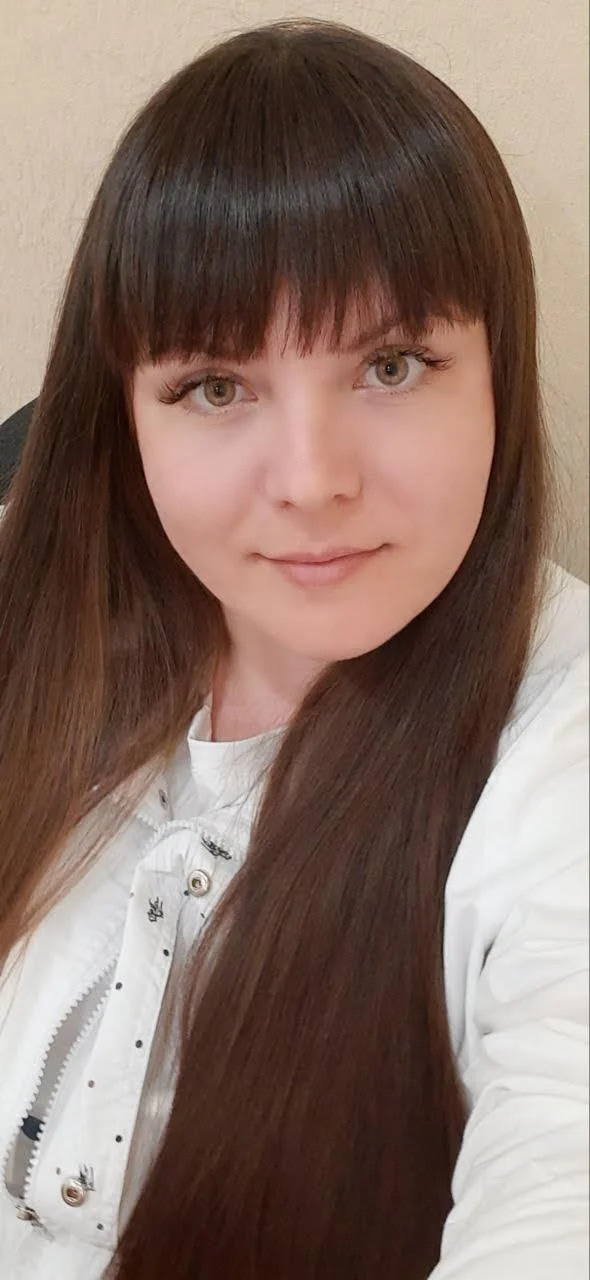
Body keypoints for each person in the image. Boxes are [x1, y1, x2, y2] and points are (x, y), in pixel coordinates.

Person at [0, 16, 587, 1280]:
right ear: (127, 415)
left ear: (497, 370)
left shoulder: (558, 752)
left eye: (391, 362)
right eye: (216, 385)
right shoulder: (50, 623)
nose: (313, 481)